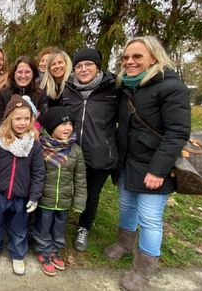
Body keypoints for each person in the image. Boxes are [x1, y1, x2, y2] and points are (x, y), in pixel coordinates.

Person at [106, 36, 190, 291]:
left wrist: (158, 170)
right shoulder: (126, 86)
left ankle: (144, 270)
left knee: (151, 217)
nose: (129, 61)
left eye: (137, 57)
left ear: (153, 57)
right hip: (127, 161)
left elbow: (178, 132)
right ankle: (124, 243)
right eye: (126, 57)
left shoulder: (171, 87)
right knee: (126, 205)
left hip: (153, 164)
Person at [61, 48, 119, 252]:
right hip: (71, 151)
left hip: (100, 153)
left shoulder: (113, 89)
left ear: (98, 67)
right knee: (67, 189)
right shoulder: (67, 89)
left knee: (92, 194)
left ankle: (83, 227)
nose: (83, 69)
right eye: (79, 66)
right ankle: (60, 224)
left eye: (88, 65)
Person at [0, 95, 45, 276]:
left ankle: (17, 254)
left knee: (19, 227)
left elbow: (39, 172)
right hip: (0, 194)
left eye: (26, 118)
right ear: (10, 118)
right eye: (18, 118)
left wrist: (34, 196)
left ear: (32, 119)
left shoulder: (34, 144)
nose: (22, 122)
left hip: (22, 195)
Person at [33, 106, 87, 276]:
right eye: (63, 124)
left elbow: (80, 179)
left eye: (70, 124)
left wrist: (79, 201)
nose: (68, 128)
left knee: (59, 226)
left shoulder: (75, 151)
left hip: (64, 200)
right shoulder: (40, 148)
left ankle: (55, 250)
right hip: (44, 199)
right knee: (43, 226)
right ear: (50, 126)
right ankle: (43, 250)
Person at [0, 56, 48, 125]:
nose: (23, 76)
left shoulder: (40, 94)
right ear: (14, 74)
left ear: (33, 74)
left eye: (27, 72)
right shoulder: (4, 94)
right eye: (19, 72)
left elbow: (43, 120)